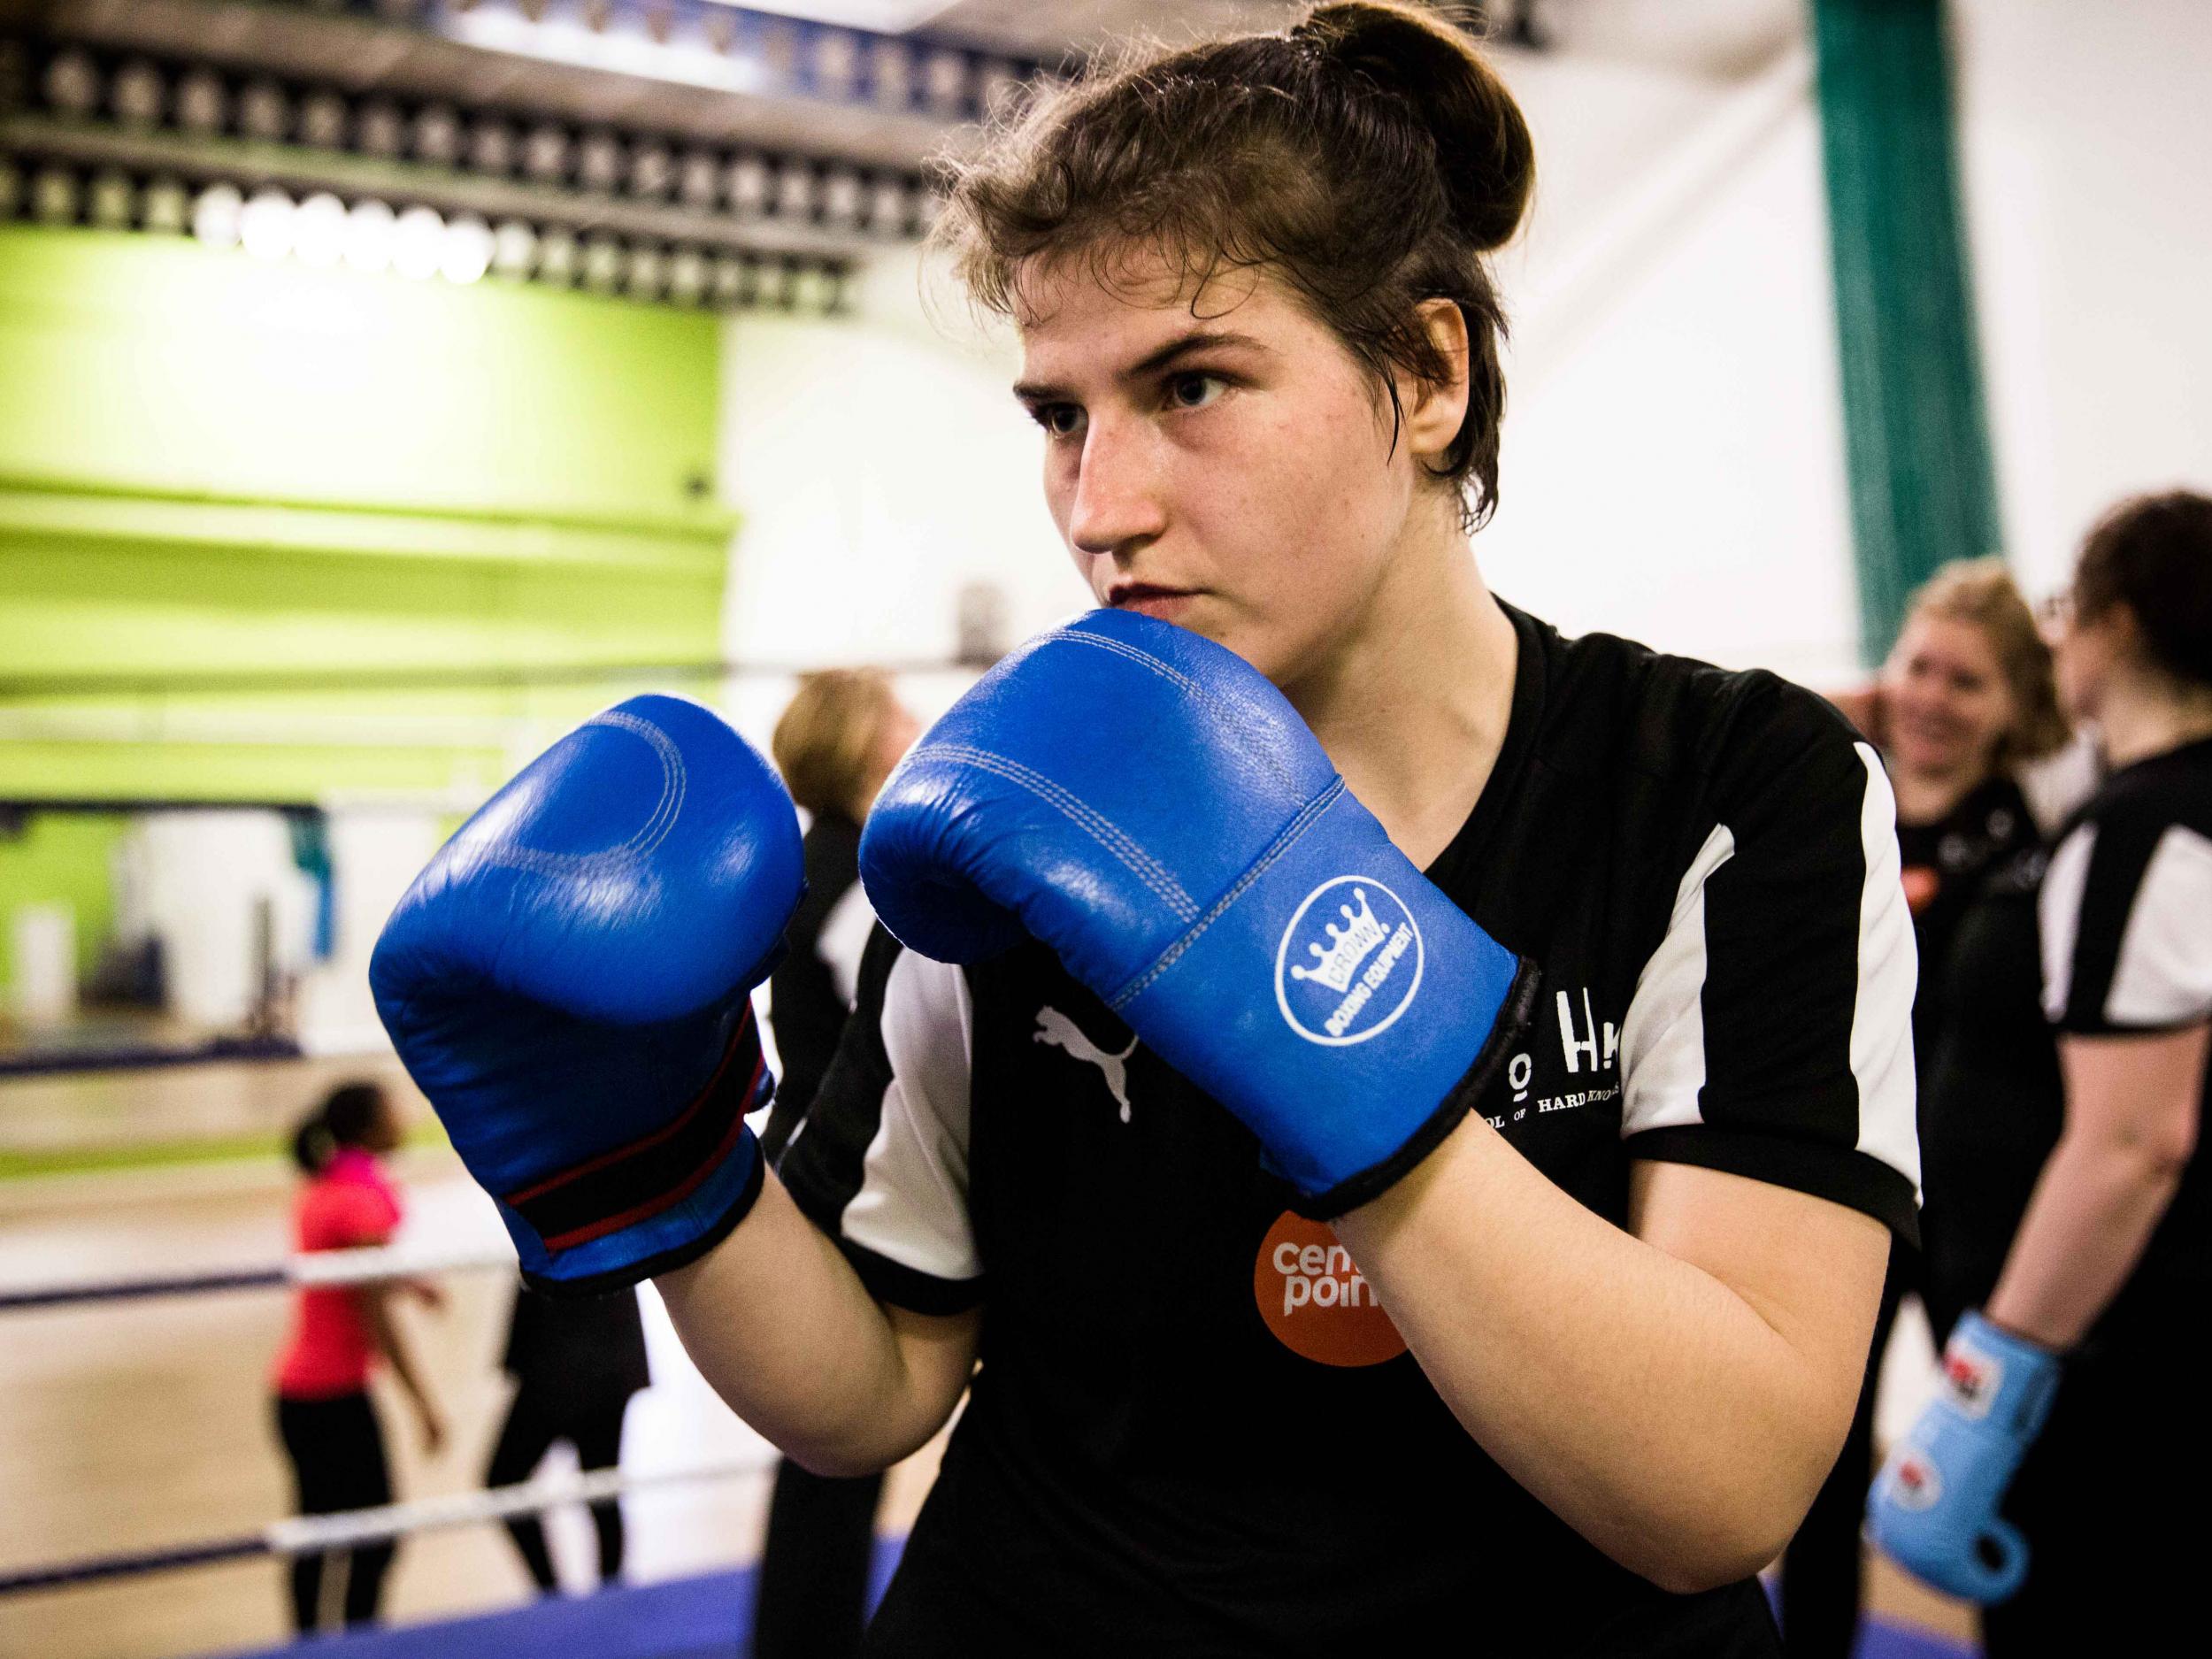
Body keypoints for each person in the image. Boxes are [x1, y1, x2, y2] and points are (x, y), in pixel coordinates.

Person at [370, 6, 1918, 1653]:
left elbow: (1726, 1491)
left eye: (1193, 383)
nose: (1102, 504)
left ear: (1432, 372)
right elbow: (873, 1378)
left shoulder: (1729, 787)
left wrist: (1326, 1033)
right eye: (1059, 414)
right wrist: (665, 1162)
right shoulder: (1020, 809)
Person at [1870, 491, 2212, 1651]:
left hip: (2117, 1361)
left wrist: (1990, 1377)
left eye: (2070, 611)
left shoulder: (2136, 827)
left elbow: (2133, 1141)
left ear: (2111, 625)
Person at [1781, 561, 2069, 1658]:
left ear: (2016, 709)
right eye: (1920, 668)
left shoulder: (2038, 833)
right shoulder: (1833, 790)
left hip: (1979, 1211)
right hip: (1848, 1184)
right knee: (1813, 1456)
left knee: (1989, 1465)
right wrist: (1856, 705)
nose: (1935, 698)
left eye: (1969, 683)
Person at [753, 669, 919, 1658]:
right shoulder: (865, 877)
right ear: (863, 744)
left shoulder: (818, 863)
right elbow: (904, 1026)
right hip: (849, 1178)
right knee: (837, 1448)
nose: (920, 725)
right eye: (899, 714)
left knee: (829, 1452)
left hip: (826, 1166)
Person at [270, 1080, 443, 1634]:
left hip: (304, 1393)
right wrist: (424, 1404)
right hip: (331, 1397)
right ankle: (349, 1642)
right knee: (370, 1535)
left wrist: (411, 1284)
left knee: (323, 1532)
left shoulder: (334, 1186)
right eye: (394, 1111)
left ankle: (319, 1643)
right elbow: (378, 1321)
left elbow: (357, 1277)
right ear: (370, 1127)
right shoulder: (361, 1202)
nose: (405, 1119)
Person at [485, 1282, 650, 1594]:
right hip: (578, 1341)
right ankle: (586, 1596)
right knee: (599, 1487)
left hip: (580, 1348)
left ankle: (592, 1597)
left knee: (599, 1487)